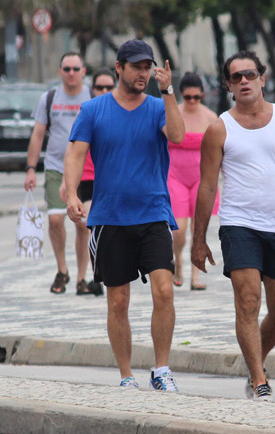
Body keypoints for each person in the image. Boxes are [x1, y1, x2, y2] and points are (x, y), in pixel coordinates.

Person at [191, 50, 275, 402]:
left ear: (263, 79)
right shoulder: (219, 128)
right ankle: (258, 380)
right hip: (238, 225)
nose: (244, 81)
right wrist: (198, 240)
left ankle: (256, 362)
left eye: (250, 74)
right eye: (236, 77)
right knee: (248, 301)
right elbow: (207, 187)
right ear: (229, 86)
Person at [63, 39, 185, 391]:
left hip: (153, 214)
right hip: (110, 218)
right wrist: (71, 194)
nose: (143, 73)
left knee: (164, 291)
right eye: (136, 67)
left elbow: (177, 135)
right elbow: (74, 156)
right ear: (119, 68)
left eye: (147, 67)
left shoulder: (158, 107)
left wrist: (169, 91)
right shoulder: (93, 110)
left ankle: (161, 370)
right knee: (118, 300)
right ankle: (126, 376)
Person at [25, 52, 92, 295]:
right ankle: (62, 269)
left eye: (76, 68)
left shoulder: (92, 97)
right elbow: (38, 134)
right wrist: (31, 169)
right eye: (67, 69)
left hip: (85, 167)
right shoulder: (50, 97)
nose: (71, 73)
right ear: (60, 71)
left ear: (83, 71)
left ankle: (82, 277)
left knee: (83, 225)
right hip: (55, 166)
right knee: (55, 219)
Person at [58, 67, 118, 298]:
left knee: (93, 226)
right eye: (99, 87)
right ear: (91, 89)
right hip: (86, 177)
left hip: (109, 179)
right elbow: (71, 150)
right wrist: (67, 183)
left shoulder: (120, 112)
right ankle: (84, 277)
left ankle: (96, 275)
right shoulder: (87, 112)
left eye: (108, 87)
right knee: (83, 228)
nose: (103, 90)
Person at [167, 72, 219, 291]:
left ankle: (195, 275)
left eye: (196, 98)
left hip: (201, 177)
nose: (191, 101)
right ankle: (177, 260)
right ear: (181, 95)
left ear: (202, 96)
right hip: (174, 175)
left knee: (198, 229)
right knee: (179, 229)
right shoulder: (173, 113)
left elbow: (220, 149)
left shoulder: (210, 117)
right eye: (187, 97)